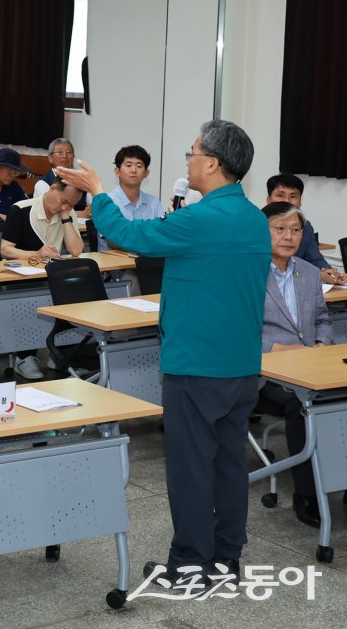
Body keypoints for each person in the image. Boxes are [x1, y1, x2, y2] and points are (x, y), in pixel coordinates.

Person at [58, 119, 270, 586]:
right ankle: (227, 557)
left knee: (192, 469)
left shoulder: (202, 217)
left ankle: (191, 565)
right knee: (230, 463)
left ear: (212, 163)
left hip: (197, 363)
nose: (188, 160)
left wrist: (99, 190)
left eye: (192, 153)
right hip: (241, 364)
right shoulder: (254, 217)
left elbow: (133, 237)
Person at [258, 201, 335, 529]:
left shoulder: (309, 271)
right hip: (264, 373)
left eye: (295, 230)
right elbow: (234, 330)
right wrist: (274, 348)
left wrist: (321, 345)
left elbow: (322, 319)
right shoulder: (247, 273)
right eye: (280, 229)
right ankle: (307, 494)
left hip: (310, 366)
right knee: (299, 406)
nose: (288, 236)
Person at [0, 181, 86, 379]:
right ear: (53, 188)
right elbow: (5, 249)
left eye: (71, 205)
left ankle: (59, 353)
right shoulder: (21, 209)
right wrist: (36, 253)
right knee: (30, 296)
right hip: (22, 276)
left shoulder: (67, 212)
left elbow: (75, 251)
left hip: (50, 276)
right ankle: (25, 356)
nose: (66, 207)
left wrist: (66, 216)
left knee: (75, 290)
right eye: (64, 202)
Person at [265, 174, 347, 286]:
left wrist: (331, 274)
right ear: (269, 200)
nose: (287, 201)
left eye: (293, 196)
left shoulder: (306, 226)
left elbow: (316, 260)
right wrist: (314, 275)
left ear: (300, 201)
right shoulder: (256, 225)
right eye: (280, 195)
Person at [97, 145, 163, 251]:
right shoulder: (107, 201)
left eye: (139, 166)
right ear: (117, 171)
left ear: (146, 173)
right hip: (115, 265)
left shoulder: (154, 202)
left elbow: (160, 235)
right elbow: (114, 241)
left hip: (146, 264)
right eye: (128, 165)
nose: (133, 170)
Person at [33, 138, 88, 214]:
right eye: (59, 152)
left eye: (68, 152)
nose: (64, 156)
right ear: (50, 158)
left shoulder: (82, 179)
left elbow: (92, 206)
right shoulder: (42, 184)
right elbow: (50, 211)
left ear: (73, 157)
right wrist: (79, 214)